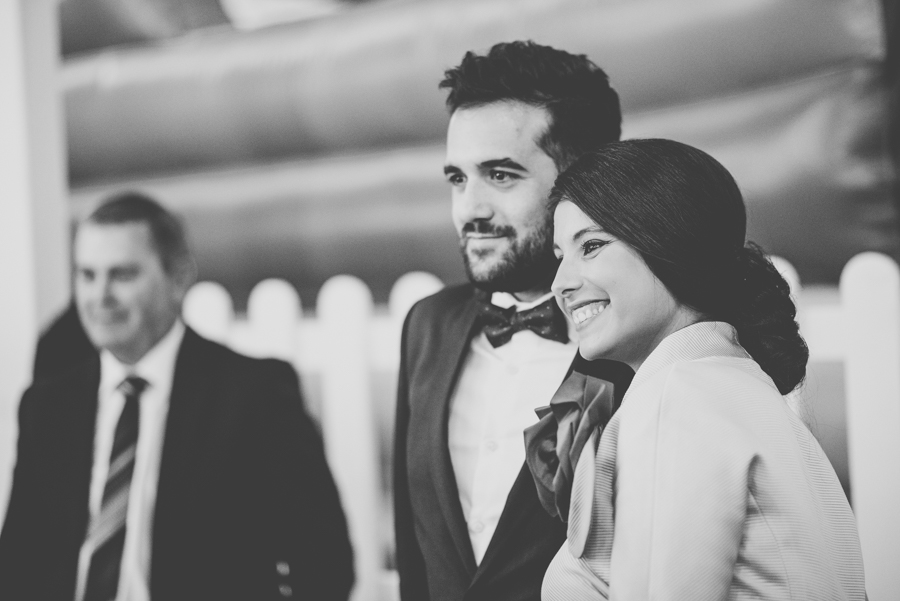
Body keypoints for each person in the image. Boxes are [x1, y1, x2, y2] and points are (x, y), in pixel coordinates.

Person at [538, 139, 865, 600]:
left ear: (666, 241)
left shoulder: (678, 396)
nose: (560, 285)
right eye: (558, 257)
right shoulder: (733, 384)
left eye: (591, 246)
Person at [0, 192, 354, 601]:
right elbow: (18, 562)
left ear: (180, 278)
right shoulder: (47, 407)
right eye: (87, 275)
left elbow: (324, 561)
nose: (100, 297)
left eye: (123, 275)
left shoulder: (254, 393)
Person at [393, 41, 633, 601]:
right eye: (457, 178)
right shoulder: (426, 326)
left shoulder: (640, 338)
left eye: (500, 176)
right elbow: (414, 549)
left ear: (585, 181)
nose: (470, 209)